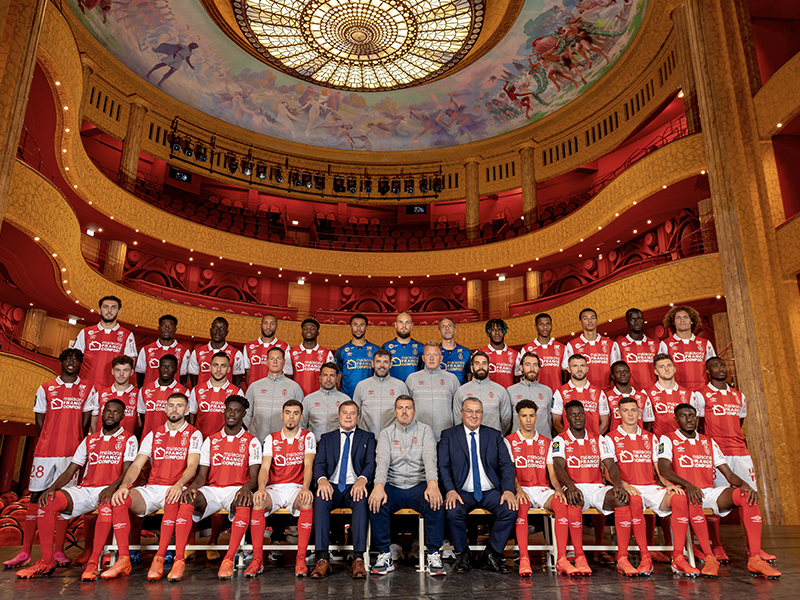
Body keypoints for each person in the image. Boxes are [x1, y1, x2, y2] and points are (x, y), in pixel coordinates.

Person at [17, 400, 137, 579]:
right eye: (108, 411)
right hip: (86, 489)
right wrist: (51, 488)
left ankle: (93, 562)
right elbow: (70, 470)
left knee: (105, 504)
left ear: (123, 416)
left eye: (116, 412)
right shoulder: (90, 440)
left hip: (110, 490)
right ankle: (46, 561)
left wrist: (112, 487)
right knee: (47, 502)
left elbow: (128, 470)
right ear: (102, 413)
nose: (111, 415)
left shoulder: (129, 438)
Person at [657, 404, 780, 578]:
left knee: (747, 496)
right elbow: (663, 469)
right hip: (685, 492)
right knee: (694, 498)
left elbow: (728, 474)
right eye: (683, 416)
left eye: (692, 415)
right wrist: (688, 485)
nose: (688, 419)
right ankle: (710, 558)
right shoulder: (668, 439)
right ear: (676, 419)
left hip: (708, 491)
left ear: (697, 418)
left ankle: (755, 559)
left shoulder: (708, 442)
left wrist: (744, 484)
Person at [4, 349, 96, 570]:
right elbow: (39, 420)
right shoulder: (46, 387)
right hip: (45, 453)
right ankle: (25, 552)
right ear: (61, 362)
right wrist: (48, 438)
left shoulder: (87, 389)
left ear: (80, 364)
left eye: (76, 359)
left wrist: (75, 441)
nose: (72, 362)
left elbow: (85, 422)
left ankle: (58, 551)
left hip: (71, 454)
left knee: (64, 498)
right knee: (36, 496)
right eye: (68, 359)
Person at [109, 392, 202, 582]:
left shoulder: (194, 433)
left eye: (179, 406)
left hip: (175, 487)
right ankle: (123, 559)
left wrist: (178, 485)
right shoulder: (154, 433)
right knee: (120, 500)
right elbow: (137, 465)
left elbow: (192, 465)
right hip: (152, 488)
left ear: (187, 409)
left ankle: (159, 558)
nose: (174, 409)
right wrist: (124, 485)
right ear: (165, 408)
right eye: (171, 405)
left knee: (172, 497)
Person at [171, 395, 262, 581]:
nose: (232, 414)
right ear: (224, 411)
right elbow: (202, 476)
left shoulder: (252, 441)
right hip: (213, 490)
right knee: (188, 499)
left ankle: (228, 560)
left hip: (236, 490)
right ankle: (179, 560)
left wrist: (246, 488)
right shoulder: (211, 440)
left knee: (244, 502)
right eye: (229, 410)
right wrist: (191, 487)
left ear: (244, 414)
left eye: (237, 411)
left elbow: (254, 477)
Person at [695, 357, 775, 564]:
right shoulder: (701, 395)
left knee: (750, 497)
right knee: (715, 500)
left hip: (741, 452)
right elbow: (699, 425)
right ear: (707, 372)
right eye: (715, 366)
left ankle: (753, 548)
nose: (720, 369)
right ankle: (716, 545)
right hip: (717, 454)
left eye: (722, 365)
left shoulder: (739, 396)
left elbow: (739, 421)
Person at [605, 397, 688, 575]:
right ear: (618, 413)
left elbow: (659, 468)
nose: (630, 414)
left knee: (680, 498)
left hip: (650, 487)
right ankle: (645, 557)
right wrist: (624, 485)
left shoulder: (651, 438)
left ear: (639, 413)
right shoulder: (610, 438)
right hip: (629, 487)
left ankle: (678, 558)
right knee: (634, 500)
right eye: (625, 410)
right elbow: (608, 472)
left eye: (633, 410)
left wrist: (668, 484)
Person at [548, 400, 631, 576]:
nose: (577, 417)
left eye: (580, 414)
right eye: (573, 415)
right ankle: (579, 556)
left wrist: (617, 485)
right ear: (567, 418)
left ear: (585, 415)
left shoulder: (599, 438)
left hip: (597, 487)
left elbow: (611, 465)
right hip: (575, 486)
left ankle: (622, 558)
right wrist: (570, 486)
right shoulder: (560, 440)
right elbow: (558, 467)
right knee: (574, 500)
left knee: (621, 499)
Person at [368, 396, 445, 575]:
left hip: (418, 485)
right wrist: (379, 485)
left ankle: (433, 554)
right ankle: (384, 554)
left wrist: (432, 482)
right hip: (393, 484)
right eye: (400, 408)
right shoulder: (386, 433)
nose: (404, 411)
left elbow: (430, 457)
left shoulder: (425, 430)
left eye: (408, 408)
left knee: (435, 501)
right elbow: (382, 461)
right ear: (395, 412)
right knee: (376, 502)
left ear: (414, 411)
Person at [438, 398, 517, 573]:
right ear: (462, 413)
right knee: (452, 511)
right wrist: (450, 490)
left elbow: (506, 465)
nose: (474, 415)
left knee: (509, 509)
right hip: (462, 491)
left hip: (490, 491)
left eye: (478, 411)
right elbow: (443, 467)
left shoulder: (494, 435)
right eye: (470, 411)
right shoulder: (449, 435)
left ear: (482, 414)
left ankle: (491, 553)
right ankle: (463, 554)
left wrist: (508, 490)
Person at [310, 401, 375, 579]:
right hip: (331, 485)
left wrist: (362, 480)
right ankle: (322, 558)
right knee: (320, 499)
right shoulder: (327, 438)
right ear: (338, 416)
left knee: (361, 499)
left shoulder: (367, 437)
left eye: (352, 413)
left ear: (358, 417)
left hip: (355, 485)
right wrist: (322, 480)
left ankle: (358, 558)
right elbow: (319, 463)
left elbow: (370, 463)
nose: (348, 416)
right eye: (344, 412)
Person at [251, 400, 316, 577]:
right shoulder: (271, 438)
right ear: (282, 415)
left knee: (307, 500)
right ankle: (257, 560)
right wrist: (261, 488)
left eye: (295, 413)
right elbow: (265, 467)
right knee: (258, 502)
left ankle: (301, 558)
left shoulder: (308, 436)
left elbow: (308, 465)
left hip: (296, 487)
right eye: (288, 413)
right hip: (275, 488)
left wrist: (305, 488)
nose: (291, 417)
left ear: (301, 417)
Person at [505, 400, 570, 576]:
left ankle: (562, 559)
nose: (528, 420)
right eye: (524, 416)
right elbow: (509, 471)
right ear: (518, 418)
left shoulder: (547, 442)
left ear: (536, 417)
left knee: (561, 503)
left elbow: (552, 472)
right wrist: (518, 490)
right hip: (522, 488)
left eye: (531, 416)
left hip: (541, 489)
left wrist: (558, 489)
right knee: (521, 506)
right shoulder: (508, 441)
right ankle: (524, 558)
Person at [73, 295, 137, 390]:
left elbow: (130, 363)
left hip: (112, 390)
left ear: (118, 312)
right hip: (85, 387)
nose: (109, 310)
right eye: (106, 307)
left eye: (113, 307)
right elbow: (74, 359)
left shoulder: (127, 335)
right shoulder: (85, 332)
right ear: (99, 310)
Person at [245, 346, 304, 443]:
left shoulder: (295, 388)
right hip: (257, 441)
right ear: (266, 362)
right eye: (272, 358)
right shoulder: (254, 387)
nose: (275, 361)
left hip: (283, 443)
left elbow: (300, 418)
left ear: (284, 362)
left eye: (279, 358)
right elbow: (246, 416)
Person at [405, 342, 459, 441]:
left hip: (445, 437)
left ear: (441, 358)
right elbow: (406, 409)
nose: (431, 358)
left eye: (435, 355)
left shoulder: (452, 379)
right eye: (428, 354)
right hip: (418, 437)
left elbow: (458, 410)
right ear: (423, 358)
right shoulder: (412, 379)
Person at [452, 351, 512, 434]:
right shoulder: (461, 391)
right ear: (472, 368)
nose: (481, 366)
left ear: (489, 367)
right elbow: (458, 420)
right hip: (469, 440)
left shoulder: (500, 391)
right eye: (477, 363)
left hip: (494, 440)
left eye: (484, 363)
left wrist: (497, 436)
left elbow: (506, 420)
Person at [352, 349, 408, 437]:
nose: (382, 365)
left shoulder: (400, 386)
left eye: (385, 362)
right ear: (372, 364)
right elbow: (355, 414)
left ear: (390, 364)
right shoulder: (361, 386)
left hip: (393, 437)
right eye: (378, 361)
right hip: (366, 438)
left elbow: (407, 414)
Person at [659, 306, 716, 391]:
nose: (682, 320)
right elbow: (661, 371)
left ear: (692, 321)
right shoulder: (665, 344)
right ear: (673, 322)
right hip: (677, 392)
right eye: (678, 318)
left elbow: (713, 369)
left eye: (685, 317)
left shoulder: (705, 343)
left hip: (702, 391)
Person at [188, 352, 243, 438]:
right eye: (215, 365)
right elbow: (192, 417)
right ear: (210, 368)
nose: (218, 369)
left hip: (224, 441)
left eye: (223, 366)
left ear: (228, 369)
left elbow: (239, 420)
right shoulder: (196, 390)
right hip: (201, 440)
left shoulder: (237, 392)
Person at [551, 354, 609, 436]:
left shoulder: (599, 393)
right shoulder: (560, 392)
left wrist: (594, 438)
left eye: (582, 365)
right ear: (569, 369)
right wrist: (568, 438)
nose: (579, 369)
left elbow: (605, 423)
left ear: (587, 369)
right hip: (569, 442)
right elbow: (556, 422)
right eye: (575, 366)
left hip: (593, 442)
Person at [562, 308, 618, 390]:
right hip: (582, 391)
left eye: (592, 318)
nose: (590, 321)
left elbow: (614, 369)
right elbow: (568, 371)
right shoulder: (572, 345)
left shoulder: (609, 343)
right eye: (585, 318)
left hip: (605, 390)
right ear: (580, 322)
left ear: (596, 321)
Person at [646, 354, 698, 439]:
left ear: (674, 369)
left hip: (683, 442)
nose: (666, 369)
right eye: (662, 367)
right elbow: (645, 424)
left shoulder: (689, 394)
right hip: (660, 442)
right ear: (656, 371)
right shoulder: (646, 394)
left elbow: (695, 423)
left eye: (669, 365)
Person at [138, 354, 189, 439]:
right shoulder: (144, 390)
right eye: (163, 366)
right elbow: (142, 416)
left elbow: (185, 418)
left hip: (172, 439)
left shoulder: (184, 392)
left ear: (176, 370)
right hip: (148, 437)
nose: (166, 370)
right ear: (158, 368)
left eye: (170, 367)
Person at [188, 317, 245, 388]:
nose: (218, 331)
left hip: (225, 393)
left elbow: (237, 381)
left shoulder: (236, 353)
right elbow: (194, 379)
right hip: (203, 393)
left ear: (227, 333)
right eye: (215, 328)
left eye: (222, 329)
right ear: (210, 330)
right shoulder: (197, 352)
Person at [507, 352, 553, 438]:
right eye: (528, 365)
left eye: (535, 365)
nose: (532, 369)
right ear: (521, 367)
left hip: (544, 441)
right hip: (517, 442)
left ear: (539, 368)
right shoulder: (510, 391)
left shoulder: (548, 391)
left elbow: (550, 420)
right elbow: (507, 420)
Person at [135, 314, 189, 388]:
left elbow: (184, 378)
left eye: (170, 326)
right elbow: (140, 373)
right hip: (149, 392)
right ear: (158, 328)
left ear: (175, 329)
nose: (166, 328)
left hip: (173, 393)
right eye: (163, 326)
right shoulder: (146, 349)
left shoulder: (184, 351)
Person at [301, 362, 351, 441]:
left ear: (337, 378)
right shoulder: (308, 399)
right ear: (320, 378)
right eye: (325, 375)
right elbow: (301, 426)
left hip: (338, 444)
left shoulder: (345, 400)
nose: (328, 379)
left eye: (332, 375)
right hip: (315, 445)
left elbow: (351, 426)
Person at [334, 313, 379, 399]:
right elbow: (338, 378)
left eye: (361, 325)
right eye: (355, 325)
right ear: (350, 327)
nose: (358, 328)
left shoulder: (376, 350)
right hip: (347, 398)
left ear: (366, 327)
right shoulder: (341, 351)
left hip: (370, 397)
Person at [611, 308, 658, 390]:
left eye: (639, 319)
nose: (636, 322)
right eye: (632, 319)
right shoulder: (618, 344)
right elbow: (615, 371)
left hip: (653, 391)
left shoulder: (655, 344)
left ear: (643, 321)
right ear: (627, 322)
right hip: (630, 392)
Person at [520, 313, 566, 393]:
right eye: (541, 324)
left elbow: (566, 374)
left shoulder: (562, 348)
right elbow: (523, 374)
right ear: (536, 327)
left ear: (551, 326)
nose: (545, 327)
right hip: (534, 393)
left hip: (556, 394)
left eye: (547, 324)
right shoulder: (526, 349)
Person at [94, 355, 139, 434]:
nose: (121, 374)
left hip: (126, 440)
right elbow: (94, 420)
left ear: (131, 372)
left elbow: (140, 423)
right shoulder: (101, 393)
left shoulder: (138, 395)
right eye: (118, 370)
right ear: (112, 371)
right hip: (102, 440)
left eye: (125, 370)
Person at [288, 317, 333, 396]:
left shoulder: (327, 354)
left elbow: (330, 379)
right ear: (302, 333)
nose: (308, 330)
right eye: (305, 328)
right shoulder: (291, 353)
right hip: (296, 397)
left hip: (319, 397)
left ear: (318, 333)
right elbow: (288, 378)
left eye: (312, 328)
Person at [244, 314, 292, 386]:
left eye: (272, 324)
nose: (268, 327)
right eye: (265, 323)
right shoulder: (248, 347)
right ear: (260, 326)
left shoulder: (284, 347)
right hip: (255, 390)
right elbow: (248, 373)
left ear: (277, 327)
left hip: (276, 389)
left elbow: (287, 374)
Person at [605, 361, 653, 432]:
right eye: (618, 372)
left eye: (625, 371)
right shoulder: (606, 396)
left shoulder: (643, 397)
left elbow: (648, 423)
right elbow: (604, 423)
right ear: (613, 376)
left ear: (630, 374)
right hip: (616, 438)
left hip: (638, 438)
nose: (623, 374)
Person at [382, 312, 424, 382]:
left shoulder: (421, 347)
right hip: (392, 386)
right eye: (401, 322)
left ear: (411, 325)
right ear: (395, 325)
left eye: (407, 322)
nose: (404, 325)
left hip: (414, 386)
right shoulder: (386, 346)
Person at [480, 319, 520, 388]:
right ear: (488, 333)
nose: (497, 333)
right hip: (487, 393)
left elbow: (518, 381)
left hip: (508, 394)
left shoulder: (516, 355)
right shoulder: (480, 354)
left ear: (504, 332)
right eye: (493, 330)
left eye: (500, 330)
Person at [438, 317, 470, 385]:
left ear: (455, 330)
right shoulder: (434, 352)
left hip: (460, 390)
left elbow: (470, 378)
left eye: (449, 325)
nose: (447, 328)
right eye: (443, 326)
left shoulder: (466, 352)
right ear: (439, 332)